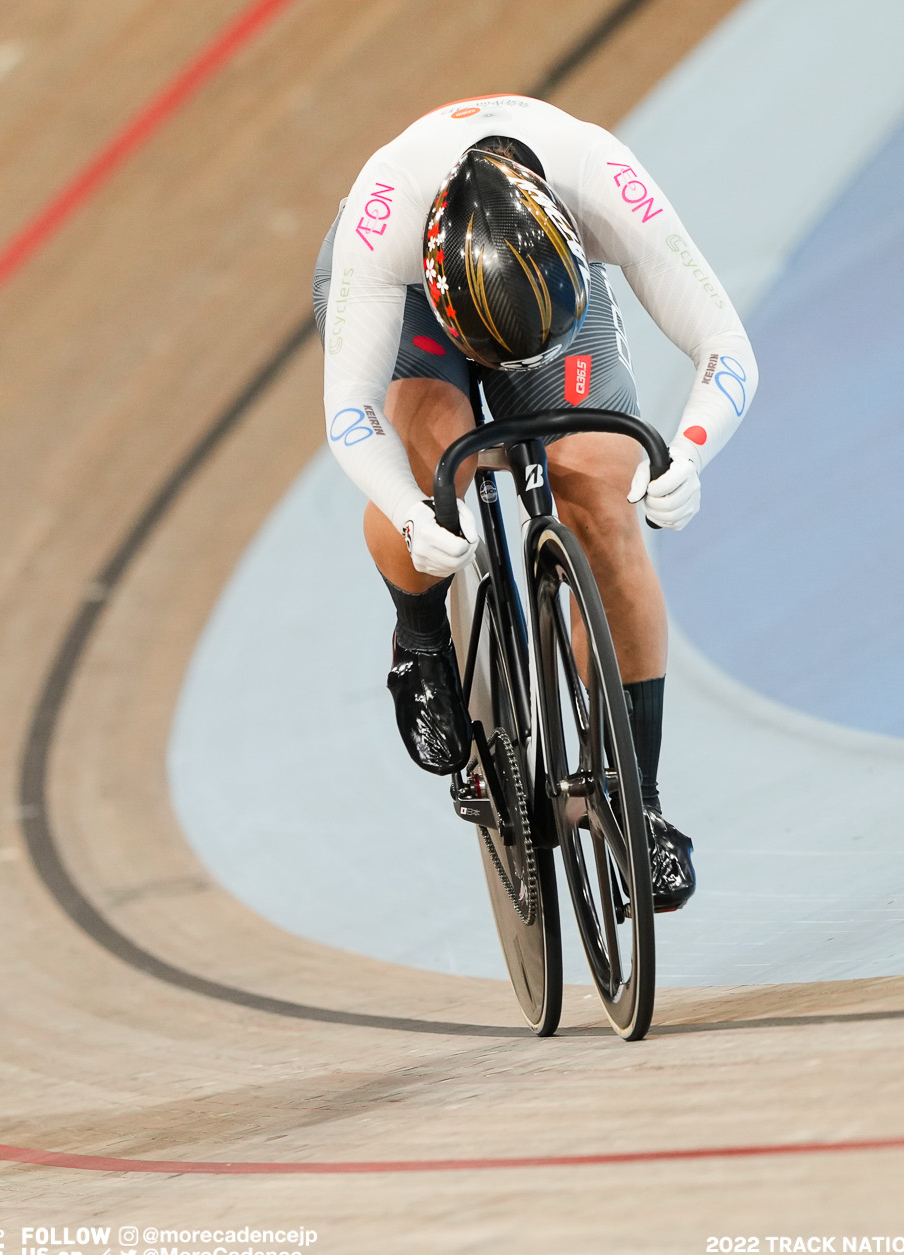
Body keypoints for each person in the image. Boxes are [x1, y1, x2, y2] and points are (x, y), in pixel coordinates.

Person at [314, 95, 757, 911]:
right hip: (411, 302)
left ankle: (641, 803)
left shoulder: (600, 181)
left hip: (550, 297)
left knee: (600, 484)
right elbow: (349, 417)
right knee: (433, 470)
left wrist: (688, 452)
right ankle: (420, 642)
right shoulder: (381, 228)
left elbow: (726, 346)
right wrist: (414, 515)